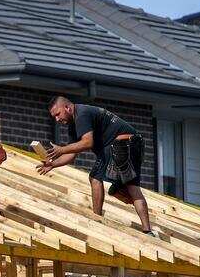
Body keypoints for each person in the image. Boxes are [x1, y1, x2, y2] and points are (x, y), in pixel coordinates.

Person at [38, 96, 154, 235]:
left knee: (95, 177)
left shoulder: (82, 114)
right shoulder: (73, 125)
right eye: (54, 117)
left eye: (58, 114)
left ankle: (96, 219)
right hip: (133, 143)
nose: (57, 119)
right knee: (130, 187)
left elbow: (87, 143)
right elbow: (72, 154)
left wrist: (62, 149)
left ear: (67, 108)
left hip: (121, 143)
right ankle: (148, 231)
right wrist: (52, 164)